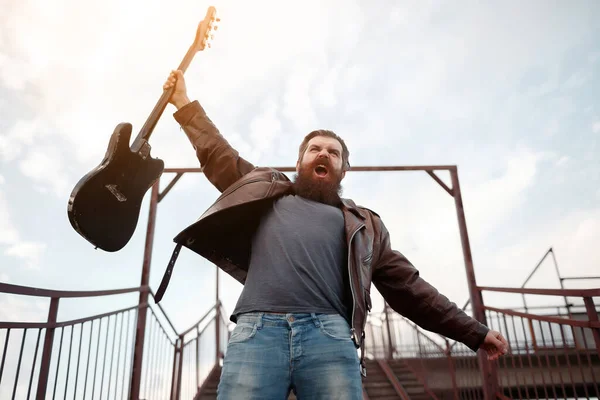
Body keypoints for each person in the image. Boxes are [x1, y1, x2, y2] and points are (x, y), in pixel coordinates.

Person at [158, 70, 508, 399]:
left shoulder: (365, 227)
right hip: (256, 332)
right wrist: (184, 102)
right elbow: (218, 154)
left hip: (329, 336)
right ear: (299, 163)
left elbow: (411, 289)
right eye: (314, 149)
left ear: (342, 169)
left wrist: (474, 332)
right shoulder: (265, 193)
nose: (323, 153)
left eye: (333, 152)